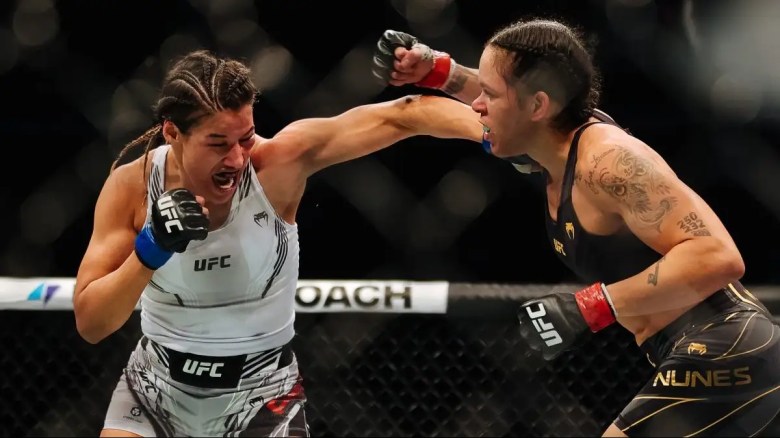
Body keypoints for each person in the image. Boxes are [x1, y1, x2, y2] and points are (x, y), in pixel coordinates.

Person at [372, 20, 780, 437]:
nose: (476, 106)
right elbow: (514, 101)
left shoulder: (607, 161)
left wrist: (589, 307)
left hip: (727, 345)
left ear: (538, 106)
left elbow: (718, 256)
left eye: (488, 95)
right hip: (698, 349)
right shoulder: (554, 152)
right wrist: (441, 74)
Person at [73, 49, 483, 437]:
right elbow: (92, 324)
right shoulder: (133, 186)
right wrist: (150, 250)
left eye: (245, 138)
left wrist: (493, 134)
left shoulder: (277, 165)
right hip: (153, 387)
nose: (236, 159)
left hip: (261, 393)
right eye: (219, 143)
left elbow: (404, 116)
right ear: (172, 132)